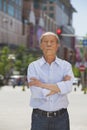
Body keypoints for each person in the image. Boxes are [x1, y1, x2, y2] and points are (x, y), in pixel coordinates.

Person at [27, 32, 74, 130]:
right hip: (39, 118)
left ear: (57, 45)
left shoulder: (66, 66)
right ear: (40, 45)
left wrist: (41, 84)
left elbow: (68, 87)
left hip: (62, 118)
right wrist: (60, 88)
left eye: (52, 42)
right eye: (45, 41)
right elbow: (36, 92)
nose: (49, 44)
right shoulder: (33, 66)